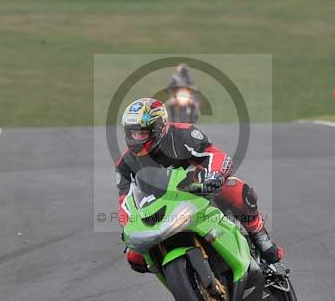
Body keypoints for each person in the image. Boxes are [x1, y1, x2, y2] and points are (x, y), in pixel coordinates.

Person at [116, 98, 284, 273]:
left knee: (238, 191)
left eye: (142, 133)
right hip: (161, 208)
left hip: (199, 190)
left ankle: (260, 237)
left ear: (159, 128)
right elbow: (125, 201)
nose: (137, 139)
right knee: (134, 257)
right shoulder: (125, 164)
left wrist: (216, 176)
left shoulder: (184, 134)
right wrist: (128, 225)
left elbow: (216, 156)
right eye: (132, 133)